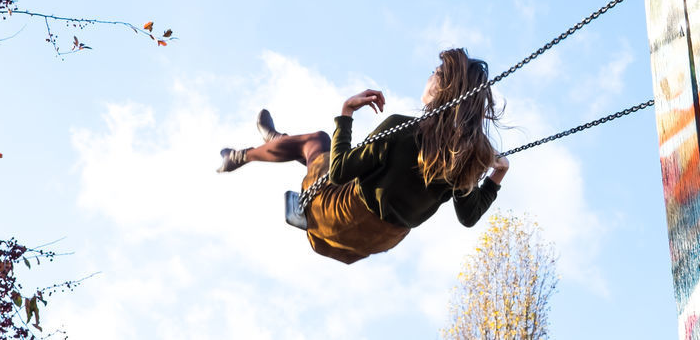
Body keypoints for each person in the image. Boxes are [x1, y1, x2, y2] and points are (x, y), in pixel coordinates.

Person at [214, 47, 510, 264]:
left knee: (318, 141)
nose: (429, 76)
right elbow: (469, 216)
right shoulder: (459, 160)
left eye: (434, 72)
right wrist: (497, 175)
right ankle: (279, 141)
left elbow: (341, 171)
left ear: (443, 85)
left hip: (336, 216)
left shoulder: (402, 129)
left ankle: (242, 155)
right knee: (319, 155)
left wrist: (346, 113)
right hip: (368, 244)